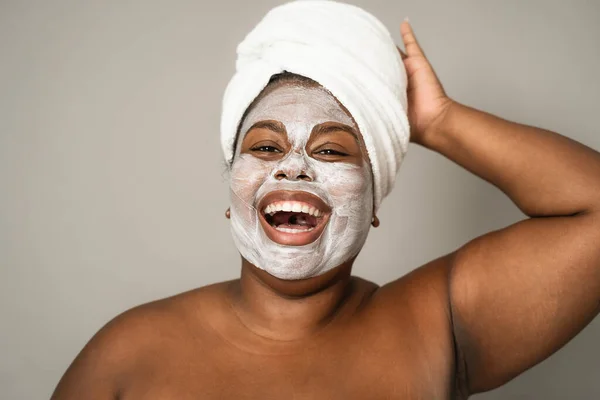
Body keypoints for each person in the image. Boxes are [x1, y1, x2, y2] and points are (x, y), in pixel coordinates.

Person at [51, 5, 600, 400]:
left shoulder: (437, 323)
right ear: (231, 192)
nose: (292, 165)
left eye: (332, 150)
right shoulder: (127, 352)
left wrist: (439, 121)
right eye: (264, 146)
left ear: (374, 200)